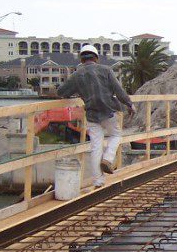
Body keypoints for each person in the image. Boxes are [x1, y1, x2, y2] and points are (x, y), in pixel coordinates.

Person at [58, 44, 135, 187]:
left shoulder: (77, 75)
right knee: (116, 135)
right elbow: (118, 90)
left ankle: (98, 181)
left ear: (81, 60)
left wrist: (76, 92)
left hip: (92, 114)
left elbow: (61, 92)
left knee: (96, 147)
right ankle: (108, 158)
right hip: (109, 111)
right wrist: (129, 104)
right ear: (96, 58)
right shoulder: (106, 70)